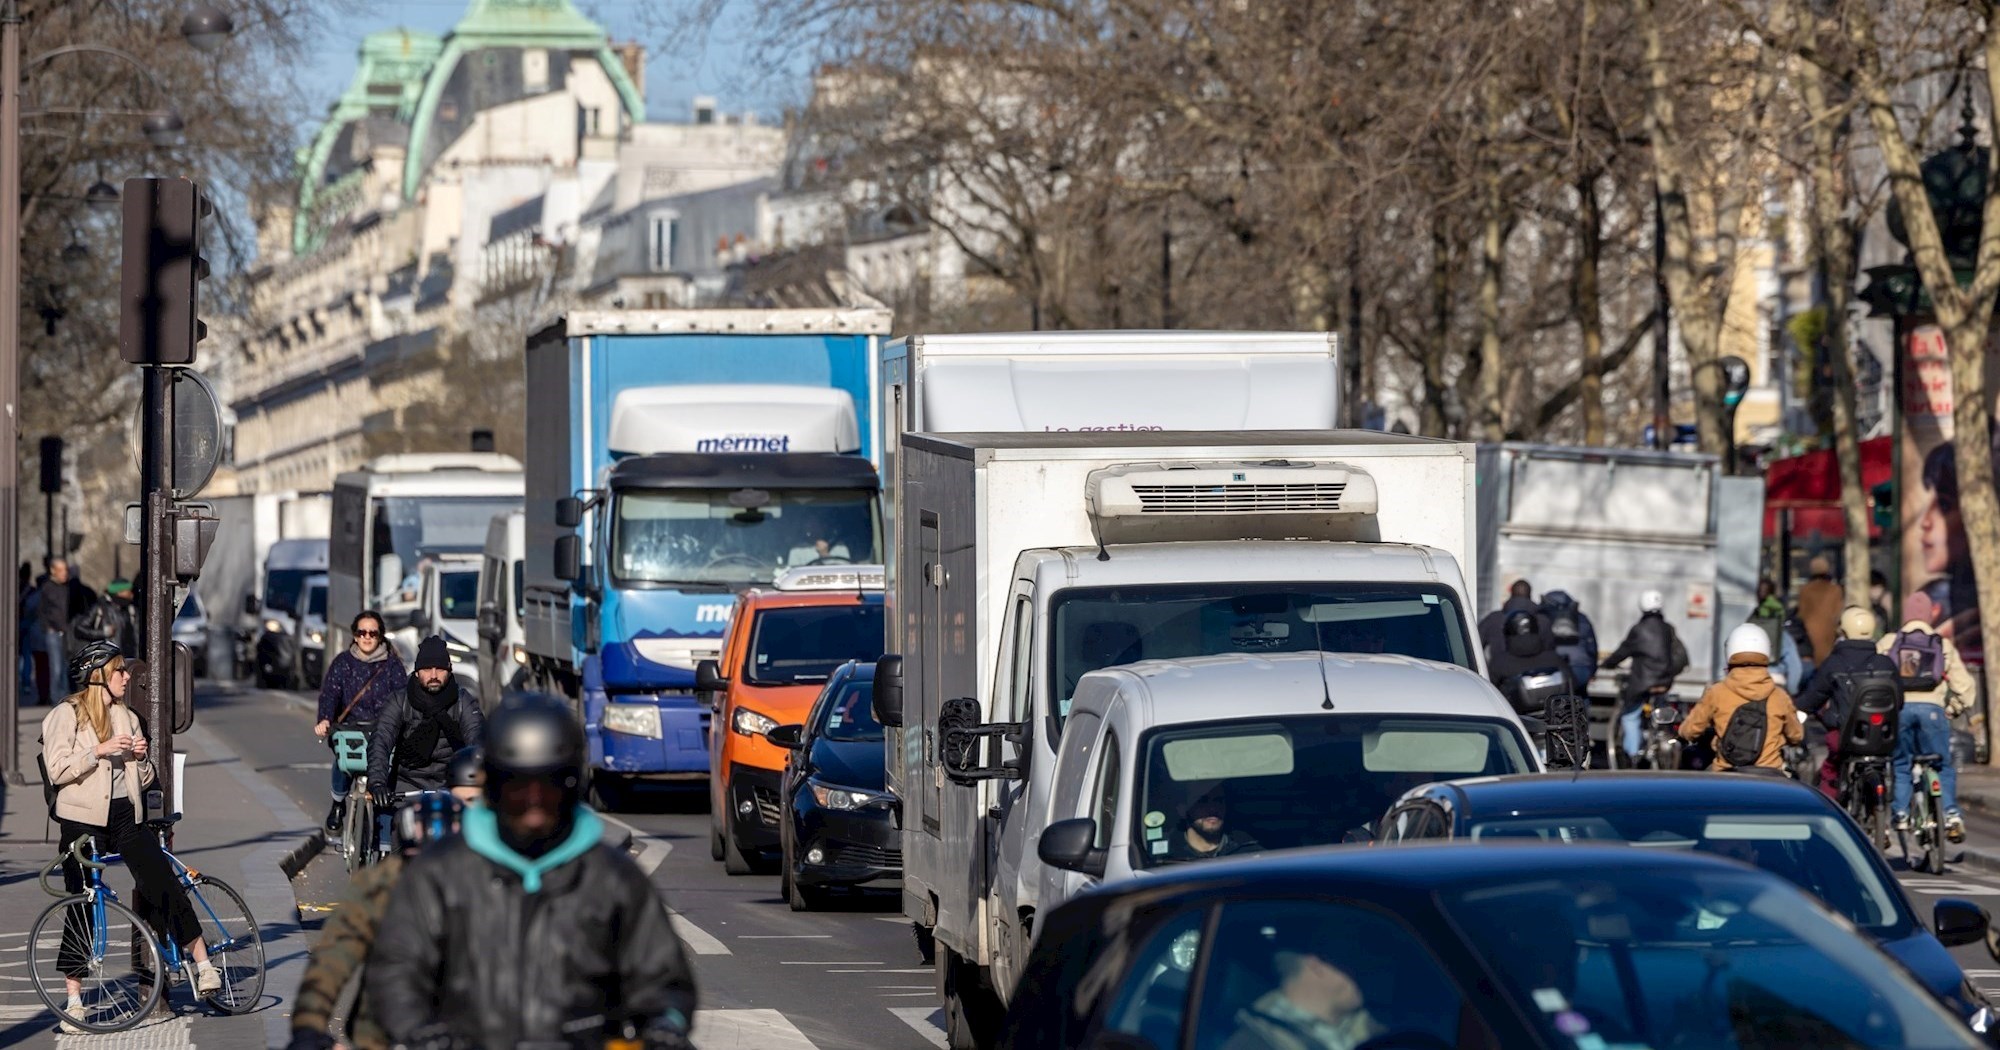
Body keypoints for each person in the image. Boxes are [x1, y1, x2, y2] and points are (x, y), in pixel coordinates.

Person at [367, 692, 698, 1049]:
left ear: (573, 785)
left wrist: (666, 1022)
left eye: (551, 786)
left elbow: (665, 981)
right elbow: (395, 970)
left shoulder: (613, 878)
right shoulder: (440, 874)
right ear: (493, 787)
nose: (534, 804)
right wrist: (417, 1027)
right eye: (517, 789)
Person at [42, 641, 220, 1031]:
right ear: (99, 676)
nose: (127, 677)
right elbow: (57, 770)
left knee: (160, 880)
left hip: (126, 814)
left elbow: (143, 778)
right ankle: (75, 1003)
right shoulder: (66, 714)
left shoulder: (126, 716)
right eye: (120, 671)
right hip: (82, 818)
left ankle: (203, 963)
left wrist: (141, 759)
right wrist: (99, 751)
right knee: (82, 900)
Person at [288, 791, 462, 1050]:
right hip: (384, 1034)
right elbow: (332, 958)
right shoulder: (380, 886)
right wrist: (309, 1029)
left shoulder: (486, 885)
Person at [369, 637, 483, 846]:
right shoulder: (399, 701)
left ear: (449, 670)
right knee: (395, 844)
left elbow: (478, 743)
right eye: (427, 669)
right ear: (417, 671)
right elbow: (381, 741)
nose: (433, 675)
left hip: (450, 785)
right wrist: (377, 783)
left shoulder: (463, 701)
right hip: (406, 785)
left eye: (439, 669)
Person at [1881, 591, 1974, 841]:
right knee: (1941, 764)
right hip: (1933, 712)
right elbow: (1965, 687)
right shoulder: (1941, 644)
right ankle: (1951, 815)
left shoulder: (1890, 642)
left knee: (1901, 765)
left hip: (1900, 711)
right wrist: (1952, 709)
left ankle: (1900, 814)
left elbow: (1877, 678)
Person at [315, 611, 408, 836]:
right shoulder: (343, 663)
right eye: (361, 632)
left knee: (388, 771)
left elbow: (403, 697)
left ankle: (384, 830)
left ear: (381, 637)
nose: (367, 637)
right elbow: (330, 693)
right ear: (355, 636)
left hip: (382, 730)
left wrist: (403, 723)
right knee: (343, 760)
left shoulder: (393, 666)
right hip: (350, 728)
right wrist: (325, 719)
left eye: (372, 633)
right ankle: (338, 805)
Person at [1796, 607, 1899, 798]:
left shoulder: (1834, 664)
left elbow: (1813, 696)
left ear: (1843, 633)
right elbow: (1898, 700)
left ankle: (1829, 811)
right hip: (1881, 738)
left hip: (1844, 737)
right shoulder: (1885, 664)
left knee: (1830, 771)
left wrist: (1797, 708)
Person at [1679, 623, 1803, 774]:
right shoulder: (1780, 697)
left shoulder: (1716, 693)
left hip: (1727, 775)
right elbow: (1796, 736)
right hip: (1770, 776)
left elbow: (1689, 731)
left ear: (1730, 650)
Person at [1223, 939, 1385, 1050]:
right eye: (1349, 962)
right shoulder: (1250, 1044)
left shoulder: (1380, 1033)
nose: (1361, 974)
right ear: (1317, 966)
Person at [1601, 590, 1689, 760]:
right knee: (1661, 710)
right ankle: (1663, 736)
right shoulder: (1668, 629)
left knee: (1630, 715)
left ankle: (1633, 754)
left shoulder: (1638, 629)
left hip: (1642, 682)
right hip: (1664, 680)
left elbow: (1623, 651)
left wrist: (1608, 664)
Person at [1487, 608, 1573, 707]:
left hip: (1515, 718)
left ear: (1507, 632)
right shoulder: (1554, 659)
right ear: (1536, 629)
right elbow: (1573, 685)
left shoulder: (1500, 663)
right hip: (1555, 717)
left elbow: (1489, 692)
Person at [1169, 782, 1263, 861]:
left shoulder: (1248, 850)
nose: (1213, 808)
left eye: (1218, 801)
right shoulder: (1167, 855)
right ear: (1182, 810)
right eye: (1202, 801)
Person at [1539, 589, 1597, 691]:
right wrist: (1591, 670)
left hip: (1552, 667)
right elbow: (1592, 648)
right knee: (1579, 696)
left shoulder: (1541, 617)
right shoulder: (1582, 618)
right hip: (1579, 666)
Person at [1796, 556, 1844, 678]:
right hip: (1828, 640)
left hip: (1809, 643)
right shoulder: (1835, 590)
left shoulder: (1805, 590)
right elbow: (1838, 615)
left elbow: (1801, 615)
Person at [1477, 579, 1547, 660]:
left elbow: (1475, 644)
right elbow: (1549, 649)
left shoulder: (1493, 619)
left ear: (1511, 594)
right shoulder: (1544, 620)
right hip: (1536, 669)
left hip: (1501, 669)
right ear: (1530, 595)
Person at [36, 558, 72, 704]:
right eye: (61, 570)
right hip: (53, 632)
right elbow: (43, 611)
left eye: (66, 569)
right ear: (53, 571)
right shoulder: (48, 588)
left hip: (65, 631)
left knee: (65, 667)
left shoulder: (68, 588)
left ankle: (64, 698)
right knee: (56, 668)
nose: (65, 573)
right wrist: (48, 627)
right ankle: (56, 699)